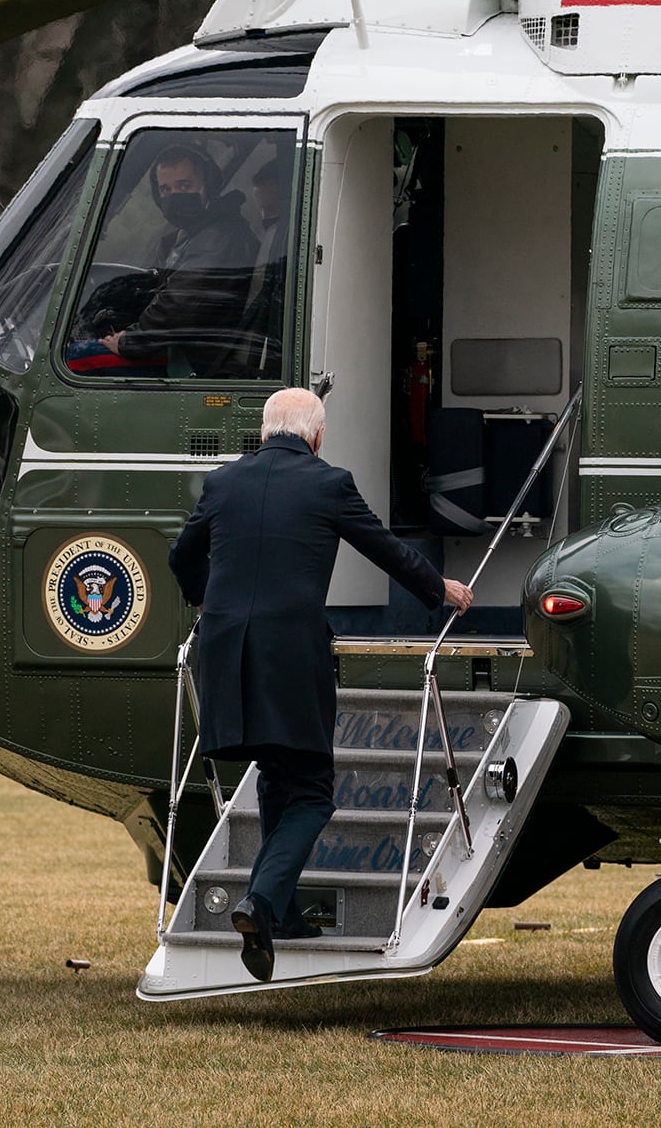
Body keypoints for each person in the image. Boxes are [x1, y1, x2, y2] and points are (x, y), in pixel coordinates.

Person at [168, 388, 471, 981]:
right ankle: (259, 901)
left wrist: (206, 600)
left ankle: (279, 917)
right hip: (288, 654)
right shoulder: (327, 483)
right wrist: (442, 589)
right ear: (318, 435)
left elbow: (182, 554)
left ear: (262, 432)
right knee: (311, 791)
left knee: (279, 777)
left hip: (226, 654)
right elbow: (384, 549)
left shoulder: (223, 482)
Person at [98, 145, 259, 376]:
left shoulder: (219, 238)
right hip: (185, 348)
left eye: (184, 185)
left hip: (198, 360)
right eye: (165, 190)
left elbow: (178, 307)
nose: (174, 196)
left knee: (73, 359)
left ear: (209, 187)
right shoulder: (187, 238)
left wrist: (128, 342)